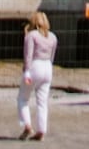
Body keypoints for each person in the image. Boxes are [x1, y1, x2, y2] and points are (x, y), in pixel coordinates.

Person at [18, 10, 57, 140]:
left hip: (35, 66)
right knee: (42, 101)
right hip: (47, 68)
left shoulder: (31, 35)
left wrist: (26, 71)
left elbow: (28, 55)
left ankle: (27, 126)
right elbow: (52, 56)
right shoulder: (52, 36)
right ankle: (41, 130)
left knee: (23, 98)